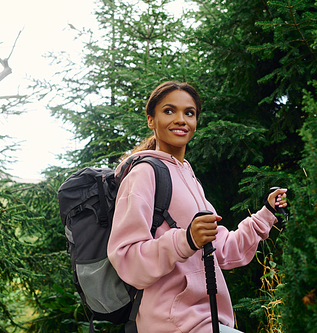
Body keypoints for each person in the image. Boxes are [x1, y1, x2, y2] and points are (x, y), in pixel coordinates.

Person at [107, 81, 287, 332]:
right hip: (172, 322)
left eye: (189, 113)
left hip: (208, 320)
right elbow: (127, 259)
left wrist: (265, 215)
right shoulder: (143, 174)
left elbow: (223, 250)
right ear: (151, 120)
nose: (180, 119)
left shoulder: (190, 179)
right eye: (169, 111)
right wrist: (186, 240)